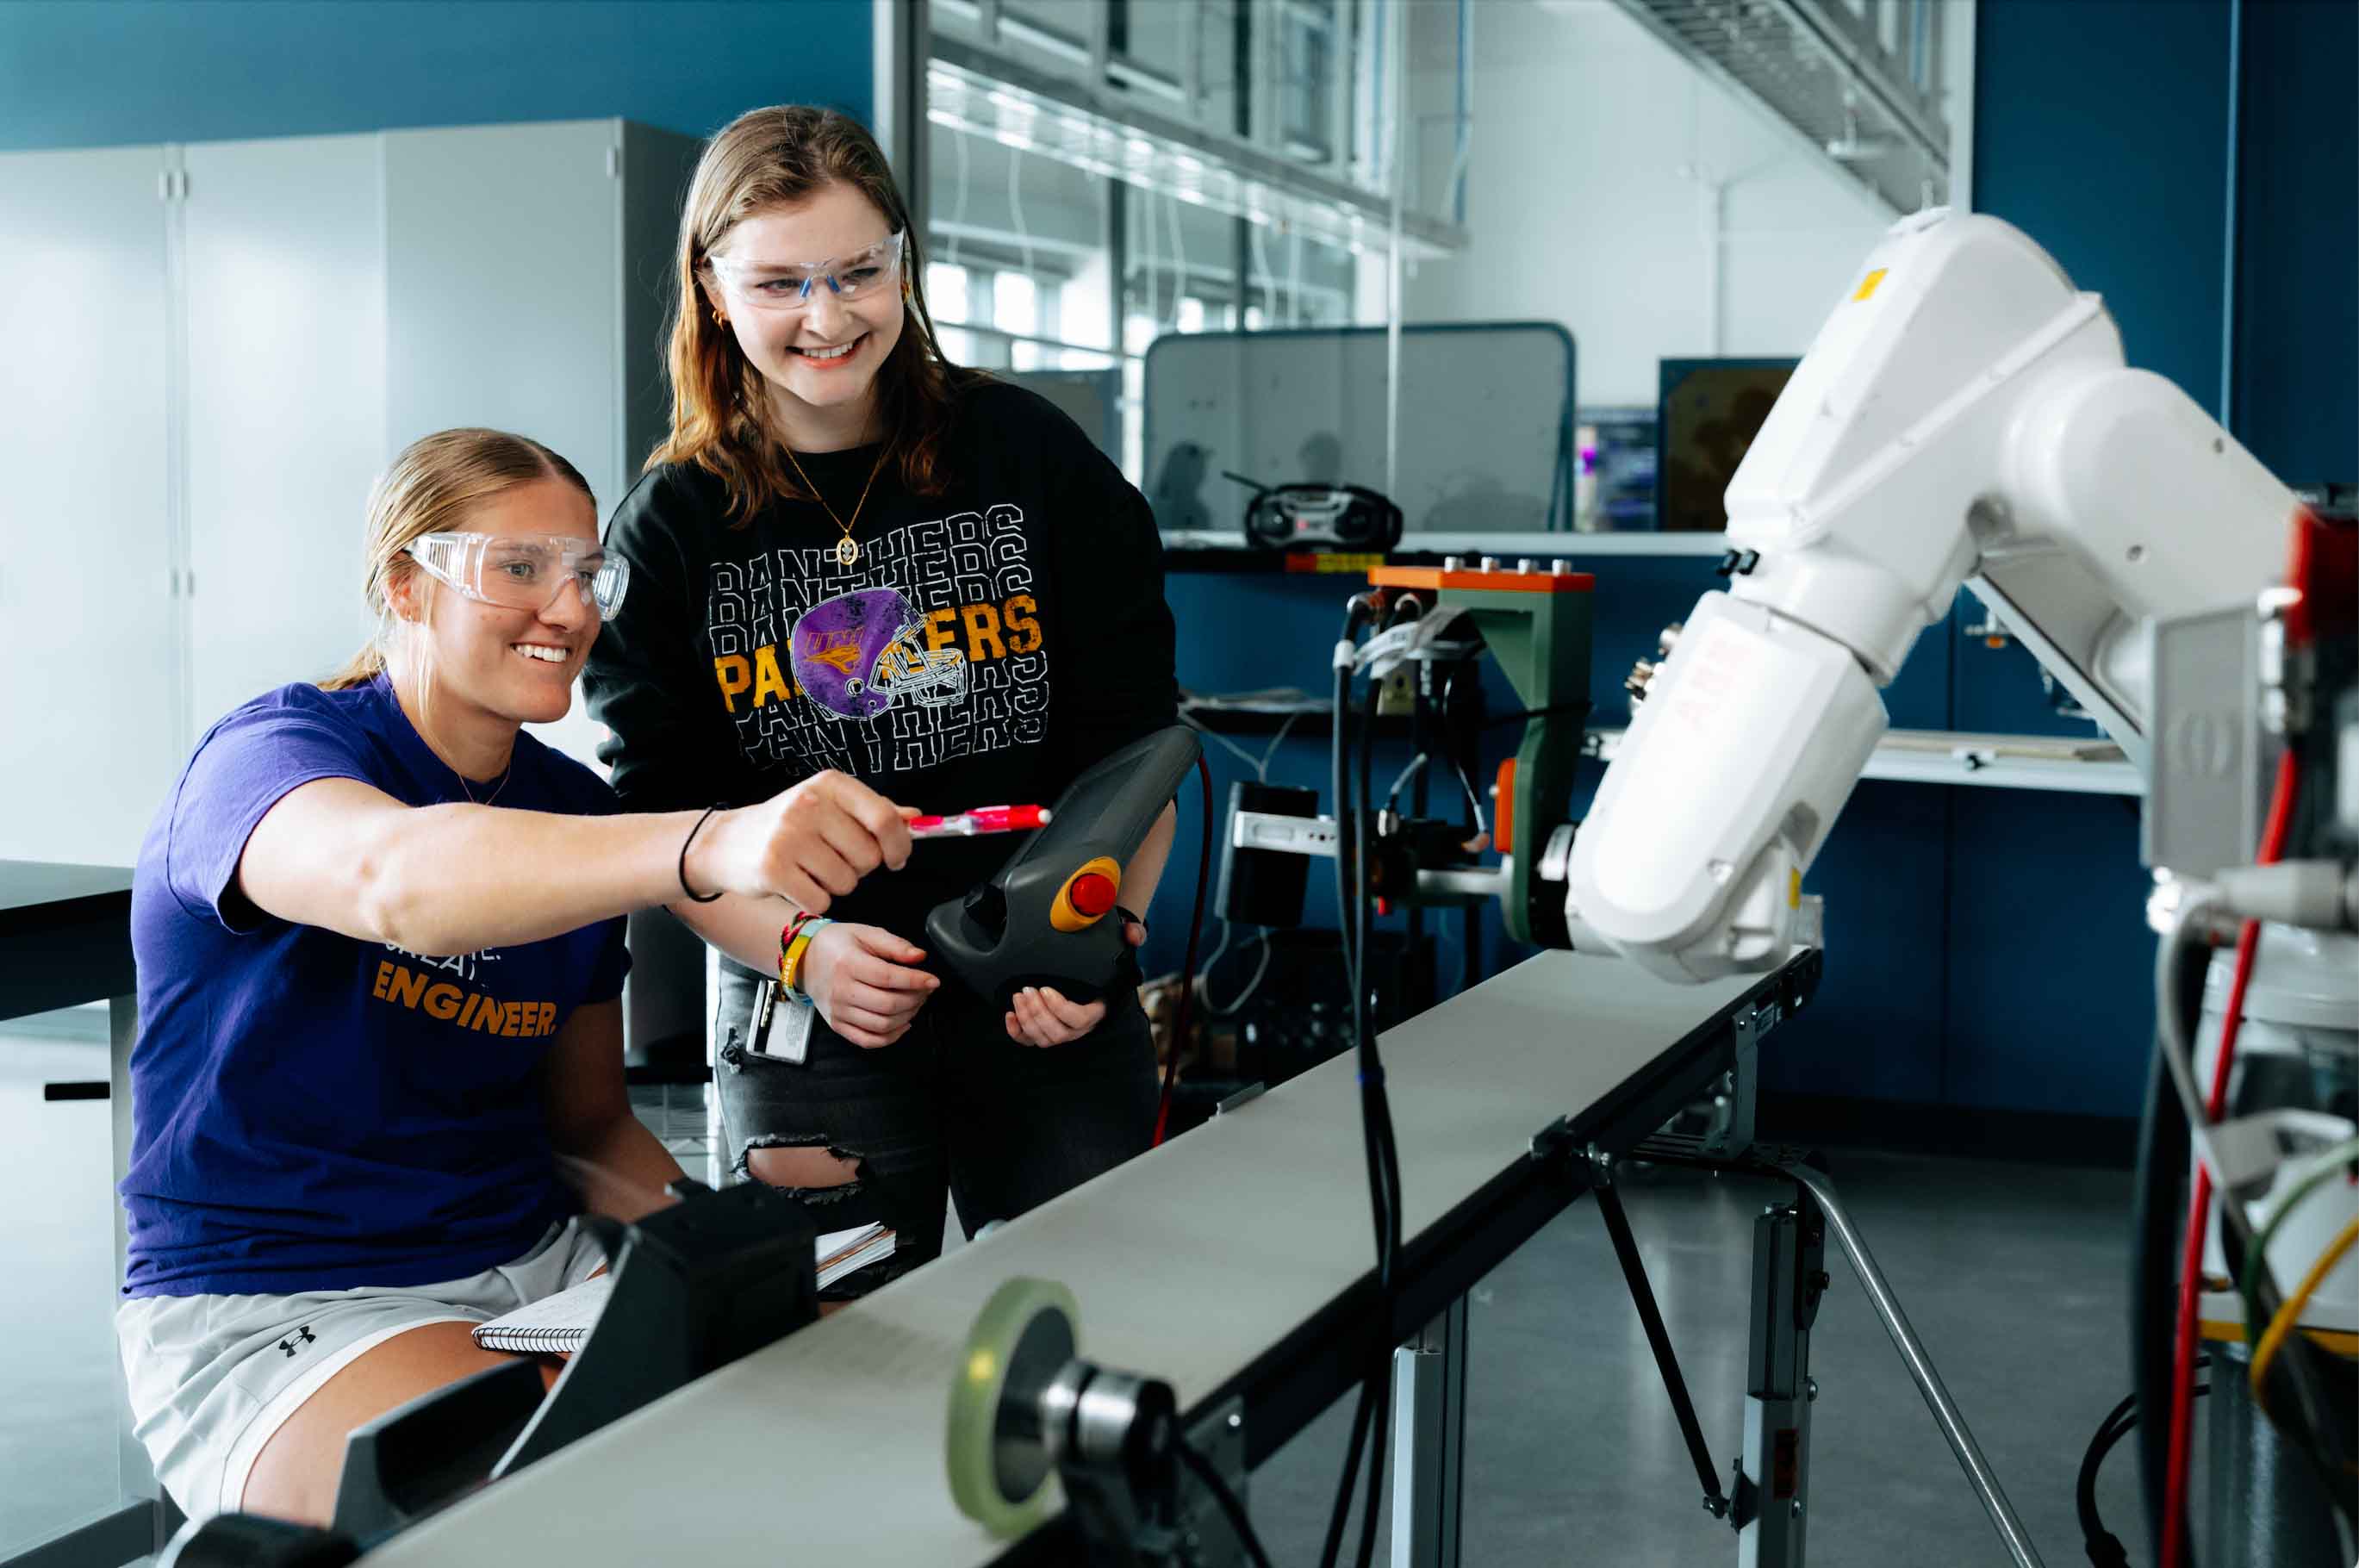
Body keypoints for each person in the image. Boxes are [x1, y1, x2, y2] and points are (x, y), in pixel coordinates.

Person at [116, 427, 915, 1525]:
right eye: (521, 569)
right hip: (286, 1295)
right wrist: (707, 839)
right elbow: (395, 878)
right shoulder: (268, 756)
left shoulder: (569, 808)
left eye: (588, 573)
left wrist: (721, 1254)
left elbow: (588, 1130)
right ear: (405, 581)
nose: (571, 609)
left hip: (538, 1267)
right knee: (549, 1502)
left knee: (850, 1413)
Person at [584, 105, 1180, 1282]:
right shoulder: (672, 528)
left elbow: (1137, 741)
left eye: (859, 272)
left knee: (1091, 1334)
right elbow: (670, 829)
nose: (825, 316)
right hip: (807, 1004)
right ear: (710, 289)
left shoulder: (1027, 455)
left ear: (903, 263)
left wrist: (1105, 937)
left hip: (1045, 983)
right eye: (779, 283)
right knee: (826, 1365)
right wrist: (801, 953)